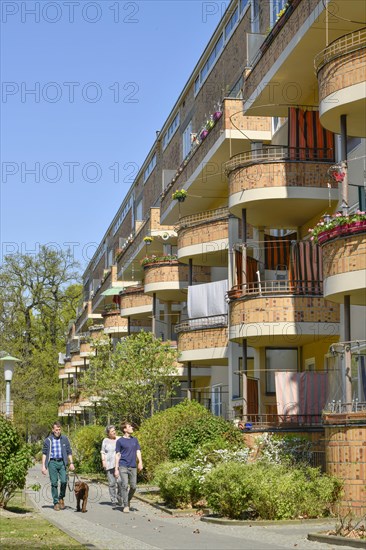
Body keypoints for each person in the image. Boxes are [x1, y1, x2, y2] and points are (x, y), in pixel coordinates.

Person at [42, 421, 75, 511]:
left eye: (59, 430)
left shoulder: (64, 439)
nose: (58, 431)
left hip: (62, 462)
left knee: (64, 481)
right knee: (54, 483)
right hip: (52, 462)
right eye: (56, 430)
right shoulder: (48, 440)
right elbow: (44, 453)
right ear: (53, 430)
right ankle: (56, 502)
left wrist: (71, 463)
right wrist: (43, 466)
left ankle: (61, 498)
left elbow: (69, 451)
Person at [114, 421, 143, 513]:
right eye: (129, 426)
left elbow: (138, 451)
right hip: (123, 465)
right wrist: (116, 469)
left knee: (133, 486)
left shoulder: (135, 440)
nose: (132, 428)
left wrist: (140, 462)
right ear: (124, 429)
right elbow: (117, 455)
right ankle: (126, 505)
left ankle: (128, 499)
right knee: (125, 485)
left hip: (133, 466)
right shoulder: (120, 441)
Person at [101, 425, 122, 506]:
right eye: (112, 431)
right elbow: (102, 451)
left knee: (120, 482)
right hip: (109, 464)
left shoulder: (119, 439)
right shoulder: (105, 440)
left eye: (114, 430)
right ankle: (113, 500)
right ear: (108, 433)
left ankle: (119, 496)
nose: (114, 432)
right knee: (112, 483)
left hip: (119, 464)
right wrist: (103, 461)